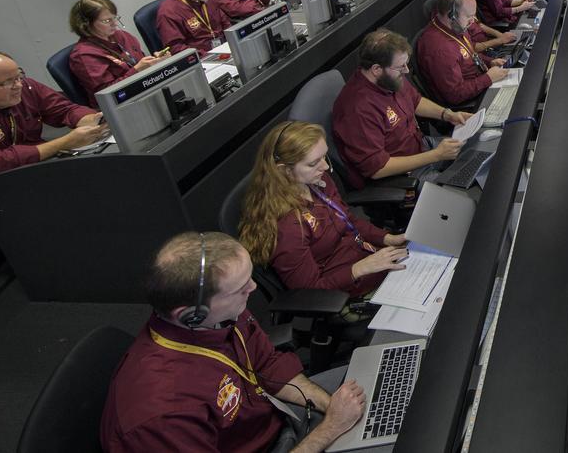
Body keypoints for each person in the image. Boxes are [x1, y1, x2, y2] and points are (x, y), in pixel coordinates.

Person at [100, 232, 367, 452]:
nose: (253, 288)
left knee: (379, 391)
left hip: (273, 416)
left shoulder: (221, 316)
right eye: (241, 289)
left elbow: (268, 365)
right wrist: (332, 427)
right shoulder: (163, 415)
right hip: (275, 441)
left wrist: (332, 407)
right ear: (191, 314)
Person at [239, 121, 409, 296]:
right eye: (313, 163)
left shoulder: (318, 181)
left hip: (369, 256)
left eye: (324, 156)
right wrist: (359, 269)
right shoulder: (288, 228)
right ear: (285, 171)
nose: (325, 167)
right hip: (346, 290)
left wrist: (388, 238)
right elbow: (308, 292)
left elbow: (349, 220)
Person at [332, 29, 469, 189]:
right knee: (460, 190)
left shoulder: (389, 78)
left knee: (473, 150)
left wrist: (447, 114)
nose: (406, 71)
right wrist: (436, 155)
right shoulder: (357, 109)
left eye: (406, 64)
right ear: (376, 69)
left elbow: (415, 101)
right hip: (403, 174)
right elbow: (378, 169)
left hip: (420, 146)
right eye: (400, 67)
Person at [0, 49, 106, 181]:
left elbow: (65, 109)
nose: (19, 85)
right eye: (8, 82)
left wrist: (91, 119)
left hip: (39, 163)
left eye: (19, 76)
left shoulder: (27, 87)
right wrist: (63, 143)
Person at [67, 0, 165, 107]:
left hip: (146, 90)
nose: (114, 24)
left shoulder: (122, 36)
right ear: (86, 24)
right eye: (106, 21)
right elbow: (107, 94)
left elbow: (139, 62)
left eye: (114, 18)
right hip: (121, 105)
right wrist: (137, 70)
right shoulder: (84, 55)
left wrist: (156, 61)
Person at [416, 0, 511, 107]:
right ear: (451, 15)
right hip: (469, 102)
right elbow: (455, 95)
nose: (472, 22)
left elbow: (470, 53)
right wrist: (488, 78)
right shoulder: (439, 49)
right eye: (469, 17)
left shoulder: (455, 27)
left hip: (480, 80)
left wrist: (489, 61)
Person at [439, 0, 517, 53]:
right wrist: (500, 40)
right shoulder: (450, 13)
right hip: (480, 52)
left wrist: (501, 35)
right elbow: (468, 48)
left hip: (488, 44)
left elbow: (479, 25)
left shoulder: (464, 1)